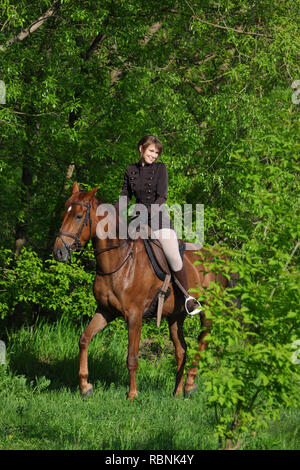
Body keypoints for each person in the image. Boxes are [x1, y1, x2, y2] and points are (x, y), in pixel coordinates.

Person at [114, 135, 201, 315]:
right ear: (141, 149)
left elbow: (162, 197)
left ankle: (188, 298)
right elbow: (125, 196)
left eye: (156, 153)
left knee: (173, 254)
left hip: (159, 220)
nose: (153, 155)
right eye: (151, 151)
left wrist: (147, 214)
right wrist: (113, 212)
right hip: (137, 222)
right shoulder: (130, 169)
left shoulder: (161, 169)